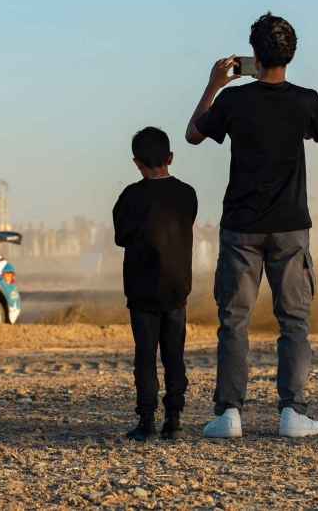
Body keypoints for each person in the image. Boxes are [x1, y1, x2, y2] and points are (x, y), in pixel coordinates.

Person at [186, 12, 318, 439]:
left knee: (234, 323)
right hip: (290, 227)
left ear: (255, 56)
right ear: (291, 54)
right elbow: (302, 135)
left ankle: (229, 414)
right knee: (294, 322)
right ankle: (292, 413)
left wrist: (214, 86)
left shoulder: (233, 101)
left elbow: (192, 134)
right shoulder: (308, 100)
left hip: (241, 227)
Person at [112, 127, 198, 441]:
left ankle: (145, 422)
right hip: (177, 287)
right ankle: (173, 421)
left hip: (142, 289)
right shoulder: (187, 193)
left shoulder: (131, 196)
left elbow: (120, 236)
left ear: (137, 163)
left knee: (145, 356)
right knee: (174, 354)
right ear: (170, 157)